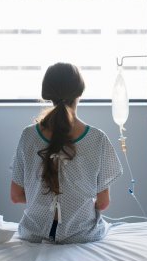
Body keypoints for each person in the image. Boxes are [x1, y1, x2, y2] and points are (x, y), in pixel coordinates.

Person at [10, 62, 123, 244]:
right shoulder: (97, 139)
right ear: (79, 92)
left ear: (47, 93)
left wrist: (40, 201)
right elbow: (103, 203)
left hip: (34, 234)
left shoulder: (28, 136)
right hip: (81, 235)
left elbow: (16, 196)